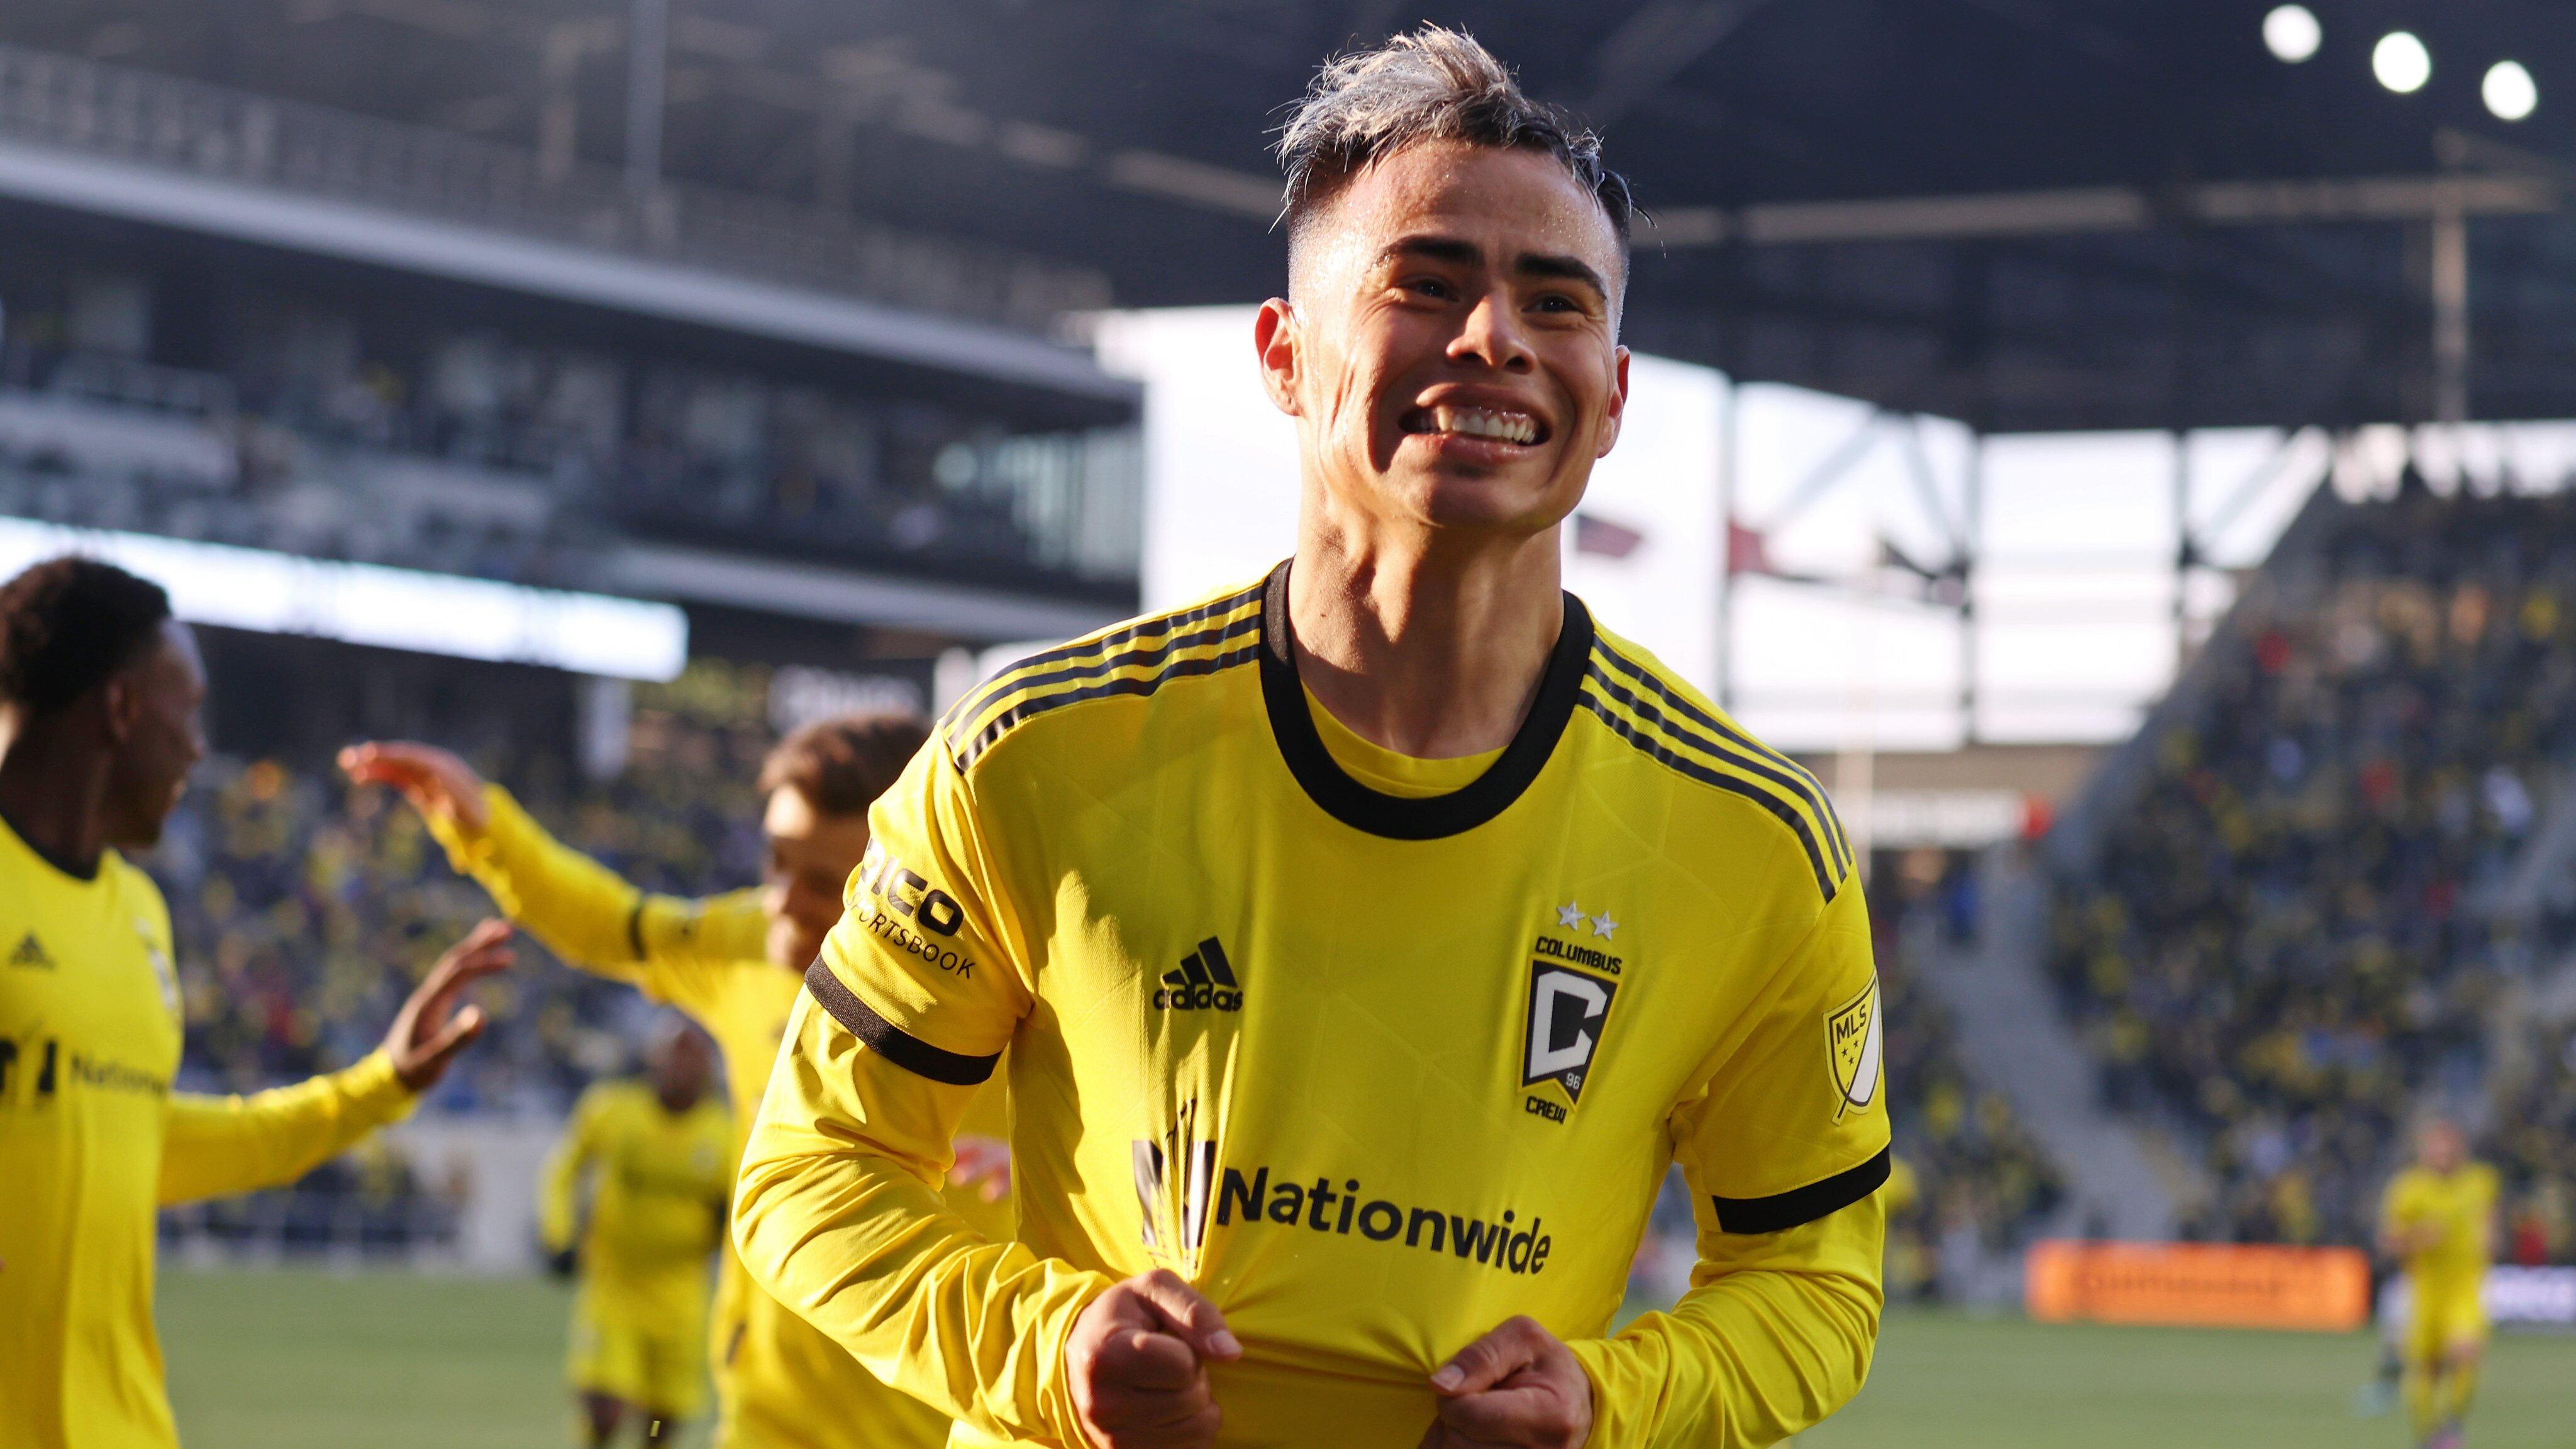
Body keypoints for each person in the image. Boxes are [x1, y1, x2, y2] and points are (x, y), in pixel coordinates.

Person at [733, 26, 1886, 1449]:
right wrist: (1049, 1347)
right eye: (1429, 283)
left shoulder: (1751, 844)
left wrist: (1614, 1400)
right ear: (1284, 353)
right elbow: (812, 1172)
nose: (1496, 339)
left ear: (1616, 397)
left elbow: (1814, 1279)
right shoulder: (1036, 753)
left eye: (1557, 300)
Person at [341, 716, 1009, 1449]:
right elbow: (613, 925)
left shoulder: (1013, 982)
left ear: (910, 867)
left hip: (958, 1414)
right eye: (774, 862)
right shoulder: (744, 945)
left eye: (824, 881)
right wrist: (484, 829)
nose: (783, 900)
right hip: (771, 1412)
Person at [0, 555, 511, 1449]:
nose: (199, 748)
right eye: (188, 712)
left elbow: (140, 1142)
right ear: (121, 709)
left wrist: (378, 1085)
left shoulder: (138, 914)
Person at [542, 1018, 735, 1447]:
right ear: (654, 1060)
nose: (681, 1068)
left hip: (681, 1295)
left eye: (692, 1059)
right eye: (673, 1056)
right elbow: (564, 1171)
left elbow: (741, 1212)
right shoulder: (613, 1111)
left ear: (708, 1071)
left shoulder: (724, 1135)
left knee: (659, 1422)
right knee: (604, 1410)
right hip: (615, 1286)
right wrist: (560, 1234)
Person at [2379, 1118, 2498, 1449]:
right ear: (2425, 1153)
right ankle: (2429, 1435)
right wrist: (2419, 1238)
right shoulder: (2409, 1188)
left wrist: (2490, 1239)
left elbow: (2489, 1220)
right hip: (2426, 1290)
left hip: (2464, 1286)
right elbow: (2388, 1241)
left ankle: (2452, 1427)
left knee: (2466, 1352)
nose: (2444, 1156)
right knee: (2427, 1369)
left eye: (2450, 1150)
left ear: (2460, 1150)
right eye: (2437, 1150)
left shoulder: (2480, 1181)